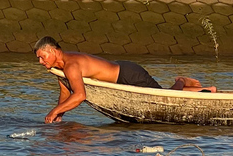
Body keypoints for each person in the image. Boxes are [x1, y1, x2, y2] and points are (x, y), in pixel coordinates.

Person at [34, 36, 215, 123]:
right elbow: (66, 92)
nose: (41, 62)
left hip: (128, 74)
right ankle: (206, 91)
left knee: (164, 97)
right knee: (162, 95)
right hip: (120, 75)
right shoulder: (61, 68)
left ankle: (182, 81)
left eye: (42, 57)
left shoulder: (71, 65)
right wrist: (59, 115)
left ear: (53, 51)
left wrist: (53, 112)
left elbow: (80, 95)